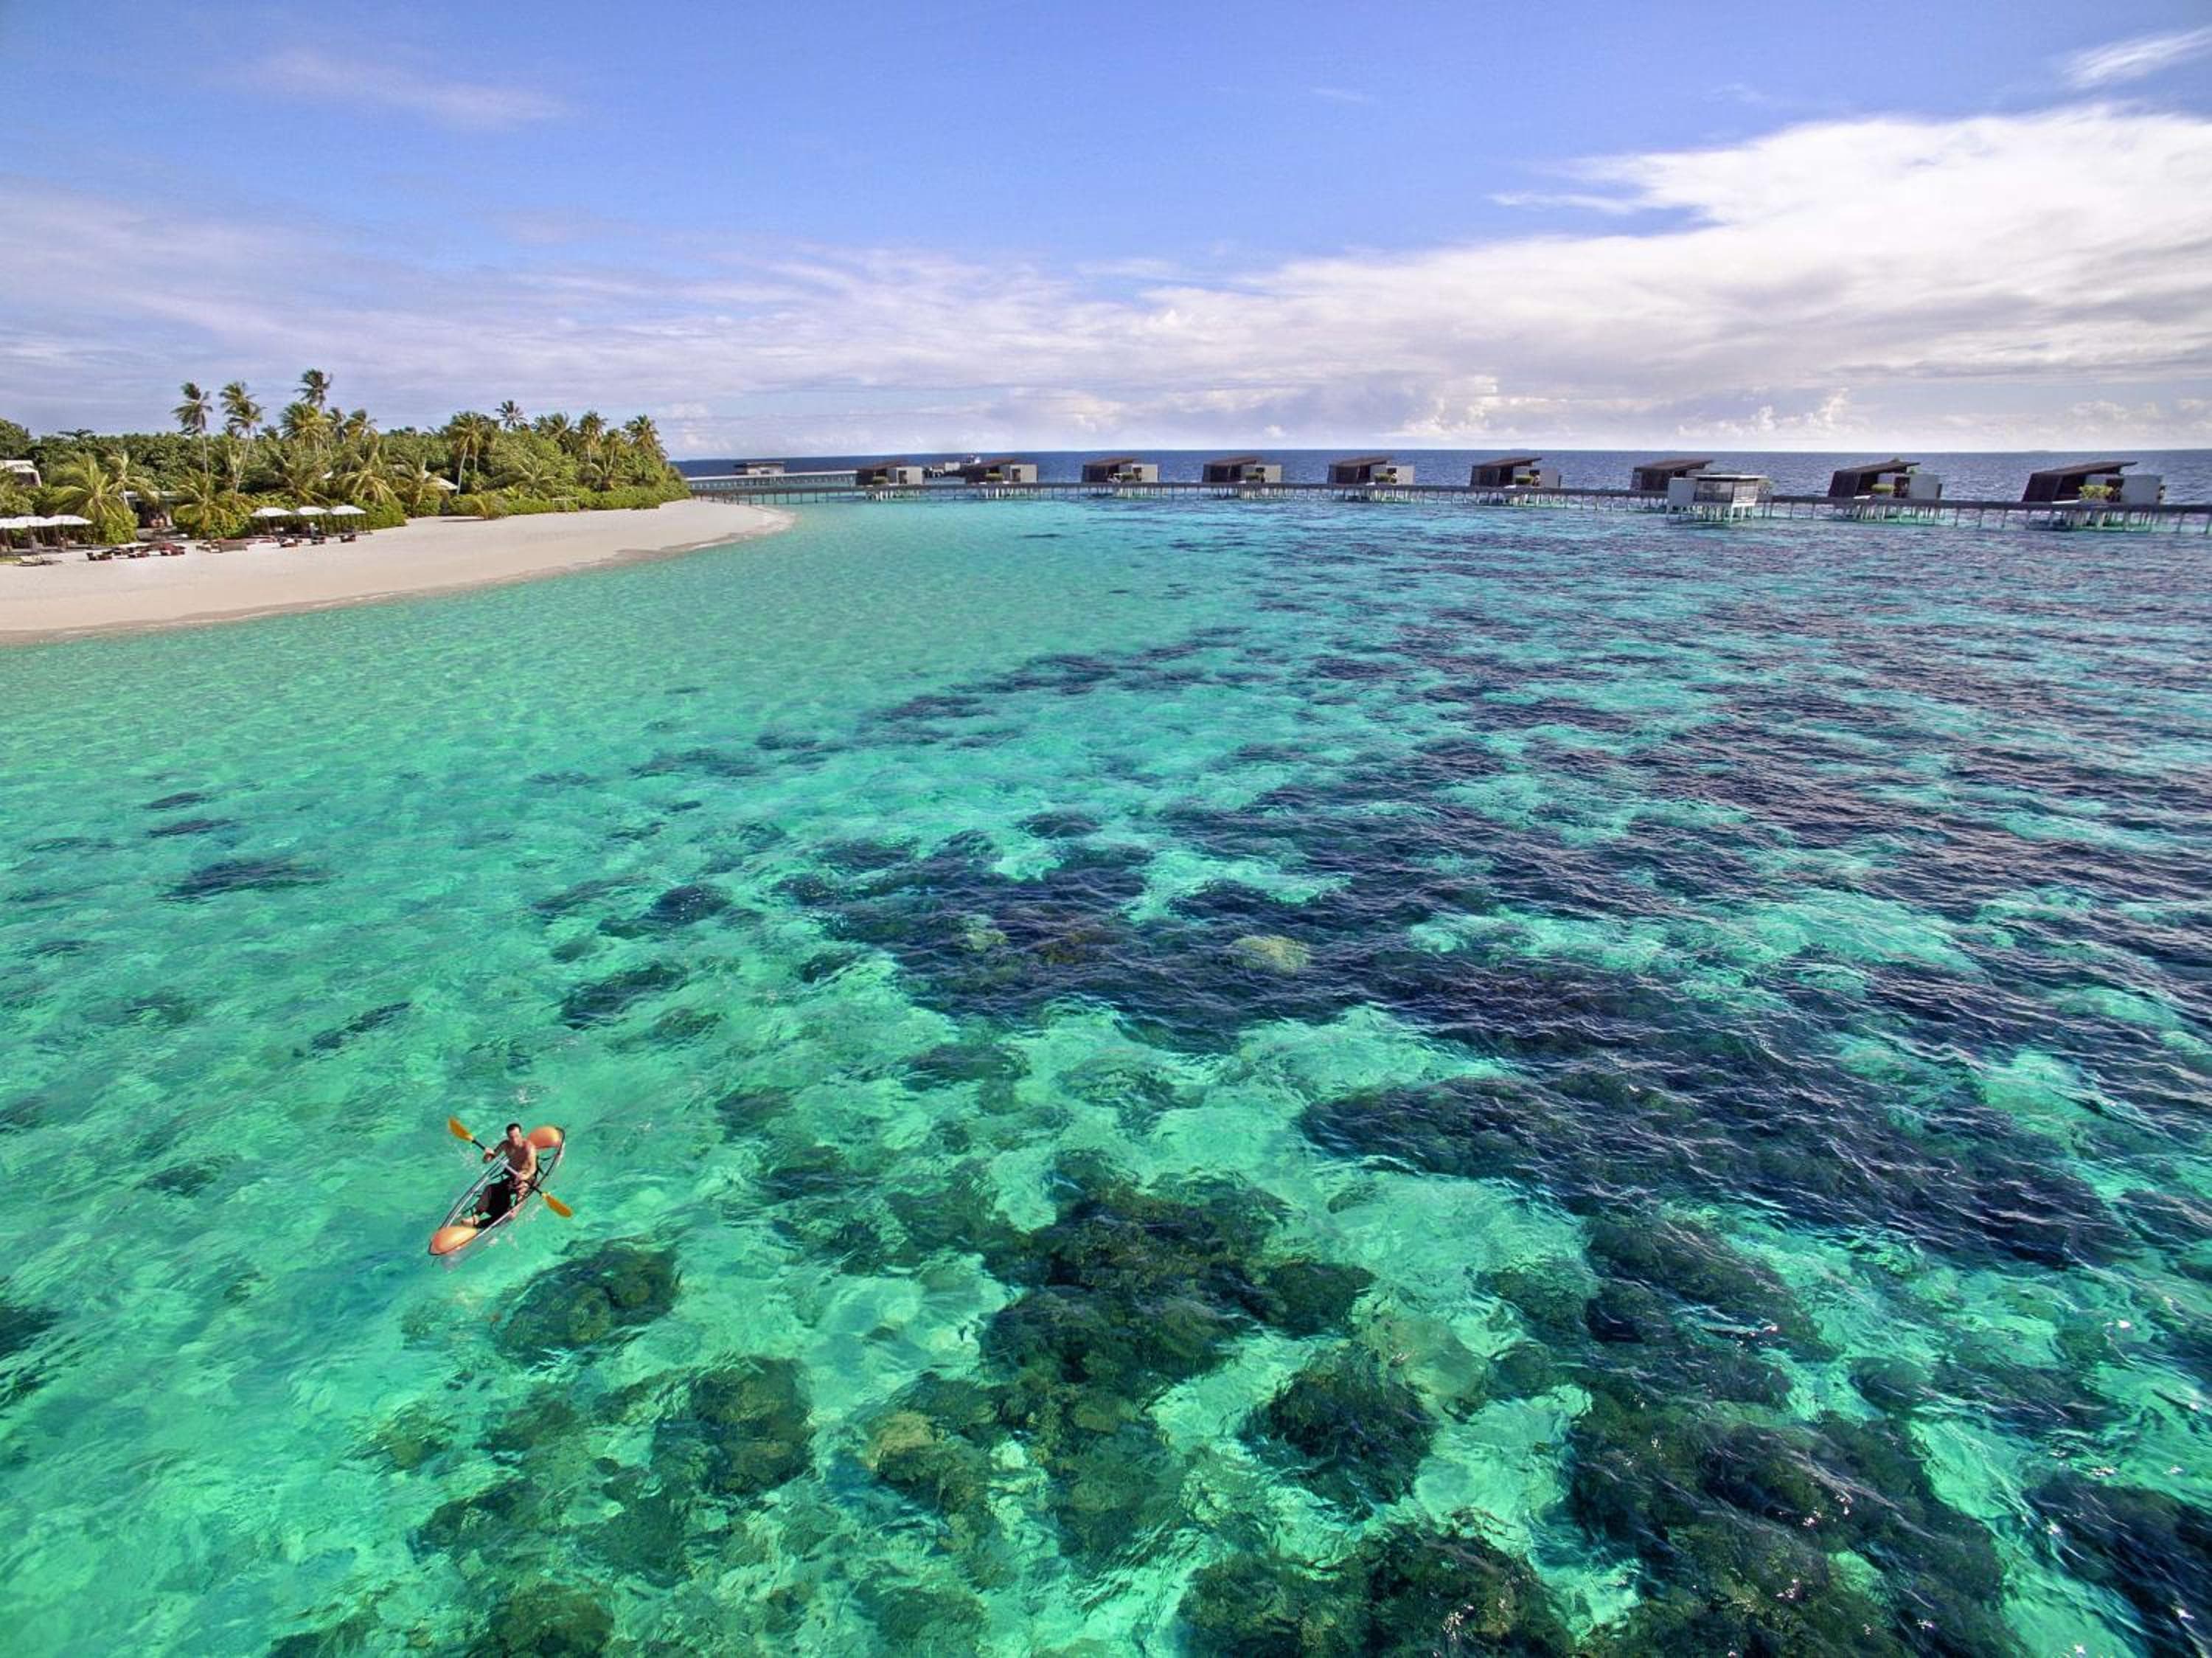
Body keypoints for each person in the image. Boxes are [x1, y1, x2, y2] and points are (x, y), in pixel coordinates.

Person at [473, 1123, 538, 1225]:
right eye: (511, 1137)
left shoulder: (529, 1148)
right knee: (490, 1188)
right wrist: (487, 1155)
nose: (514, 1140)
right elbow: (487, 1161)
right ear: (508, 1137)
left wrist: (525, 1176)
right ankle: (476, 1216)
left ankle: (512, 1214)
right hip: (512, 1177)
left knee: (520, 1192)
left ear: (521, 1134)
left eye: (517, 1136)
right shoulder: (505, 1145)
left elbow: (533, 1169)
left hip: (527, 1177)